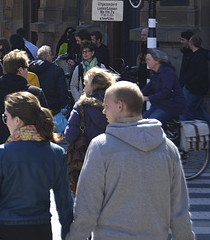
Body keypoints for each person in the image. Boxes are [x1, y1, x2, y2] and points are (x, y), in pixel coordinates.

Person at [66, 81, 194, 240]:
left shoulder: (101, 147)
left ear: (120, 106)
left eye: (106, 106)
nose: (104, 111)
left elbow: (87, 206)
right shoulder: (168, 149)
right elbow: (180, 210)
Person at [0, 91, 73, 239]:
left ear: (17, 121)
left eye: (5, 117)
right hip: (40, 229)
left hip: (6, 228)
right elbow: (65, 203)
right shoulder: (56, 153)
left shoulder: (3, 152)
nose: (5, 122)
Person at [64, 67, 114, 146]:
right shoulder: (117, 105)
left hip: (88, 152)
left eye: (85, 84)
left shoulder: (81, 105)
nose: (84, 89)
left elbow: (70, 135)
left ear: (93, 86)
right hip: (113, 151)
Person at [142, 48, 185, 124]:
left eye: (149, 59)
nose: (146, 62)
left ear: (157, 60)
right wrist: (137, 95)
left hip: (172, 106)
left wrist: (148, 98)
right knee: (142, 120)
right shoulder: (154, 73)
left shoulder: (167, 72)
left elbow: (166, 92)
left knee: (150, 123)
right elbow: (149, 88)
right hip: (160, 104)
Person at [29, 45, 70, 114]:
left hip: (35, 106)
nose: (52, 57)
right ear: (46, 57)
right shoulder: (57, 70)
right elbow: (62, 90)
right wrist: (64, 106)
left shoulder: (31, 69)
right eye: (51, 55)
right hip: (54, 108)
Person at [180, 34, 210, 125]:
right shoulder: (197, 55)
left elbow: (202, 73)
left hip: (193, 88)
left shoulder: (198, 56)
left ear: (191, 43)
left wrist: (189, 83)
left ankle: (184, 130)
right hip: (195, 87)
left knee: (187, 109)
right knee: (197, 109)